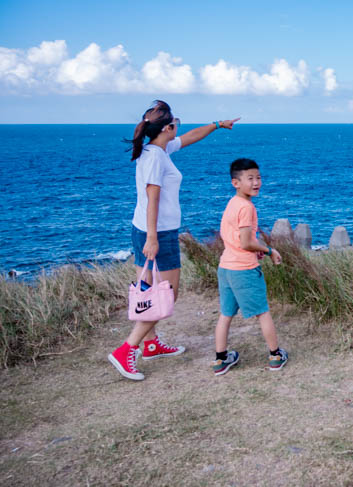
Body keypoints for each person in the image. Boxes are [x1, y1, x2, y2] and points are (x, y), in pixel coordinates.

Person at [108, 100, 240, 381]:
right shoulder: (156, 156)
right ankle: (127, 349)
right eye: (175, 123)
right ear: (166, 128)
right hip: (157, 233)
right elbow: (153, 196)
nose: (178, 127)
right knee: (167, 295)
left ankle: (151, 345)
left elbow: (189, 138)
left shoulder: (154, 148)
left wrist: (217, 125)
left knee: (148, 291)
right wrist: (154, 238)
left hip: (141, 227)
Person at [212, 158, 288, 376]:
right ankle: (275, 355)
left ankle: (220, 359)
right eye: (250, 178)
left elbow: (236, 239)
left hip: (226, 266)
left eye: (259, 177)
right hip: (243, 269)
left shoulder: (232, 203)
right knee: (263, 313)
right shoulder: (246, 207)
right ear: (236, 182)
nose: (256, 182)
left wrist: (253, 248)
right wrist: (268, 250)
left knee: (225, 314)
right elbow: (246, 241)